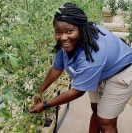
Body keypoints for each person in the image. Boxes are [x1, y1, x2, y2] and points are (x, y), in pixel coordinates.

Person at [29, 2, 132, 133]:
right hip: (102, 71)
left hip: (122, 72)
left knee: (106, 121)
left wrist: (45, 104)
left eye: (69, 31)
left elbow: (78, 91)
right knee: (96, 110)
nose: (63, 37)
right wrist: (40, 91)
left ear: (81, 28)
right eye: (58, 32)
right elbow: (56, 68)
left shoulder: (92, 54)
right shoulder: (69, 45)